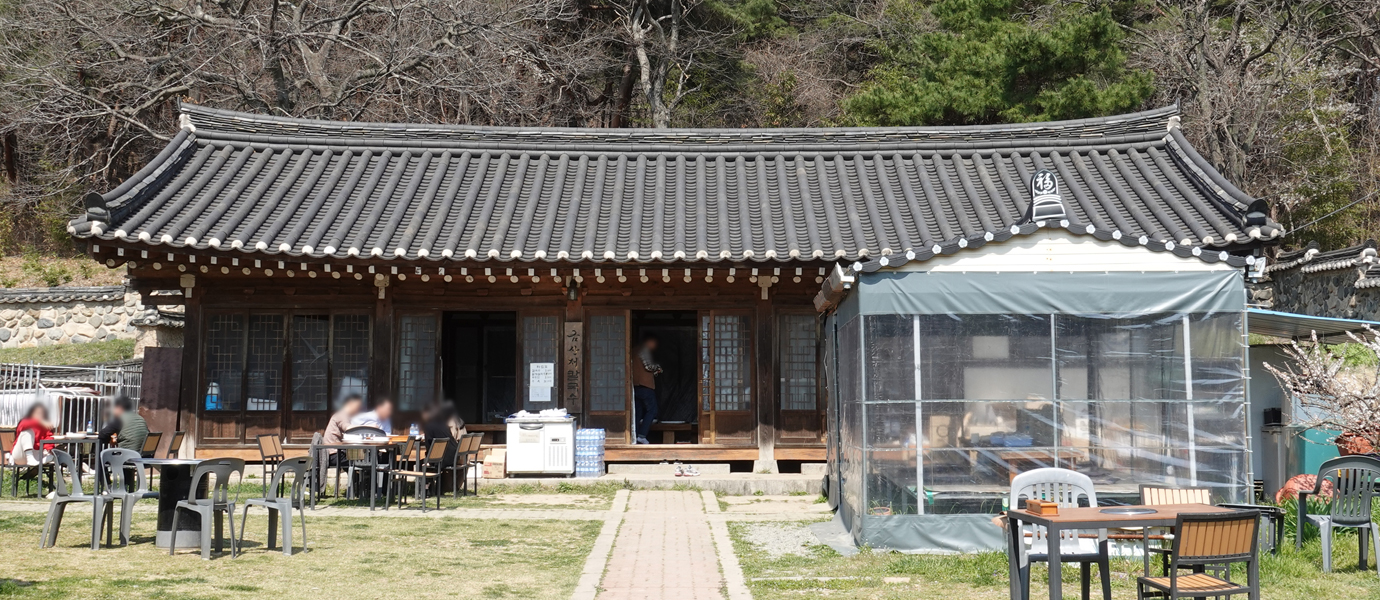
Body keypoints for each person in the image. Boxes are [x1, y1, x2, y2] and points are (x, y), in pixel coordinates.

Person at [632, 334, 662, 445]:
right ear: (649, 342)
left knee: (638, 412)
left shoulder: (633, 351)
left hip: (635, 385)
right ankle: (642, 435)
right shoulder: (643, 350)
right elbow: (649, 366)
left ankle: (634, 436)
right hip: (645, 386)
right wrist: (658, 367)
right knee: (652, 410)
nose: (654, 346)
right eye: (653, 343)